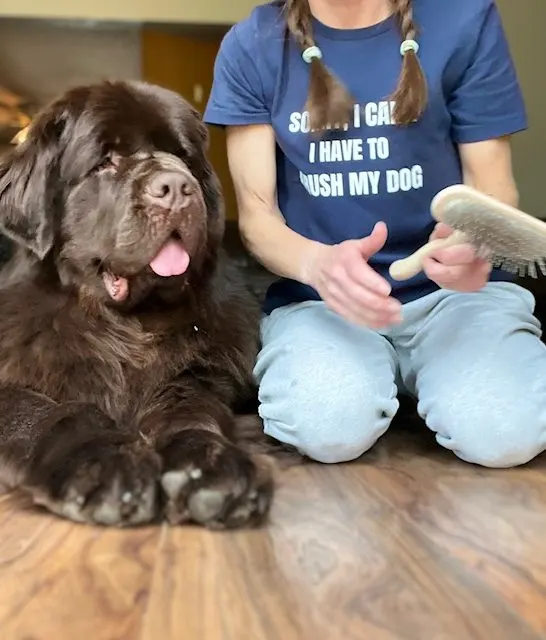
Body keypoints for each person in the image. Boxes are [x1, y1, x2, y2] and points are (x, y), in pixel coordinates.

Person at [203, 0, 546, 467]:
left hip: (457, 298)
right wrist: (315, 264)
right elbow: (258, 219)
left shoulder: (465, 19)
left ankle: (432, 382)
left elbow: (495, 190)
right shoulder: (251, 45)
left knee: (506, 434)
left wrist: (475, 244)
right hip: (324, 302)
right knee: (326, 427)